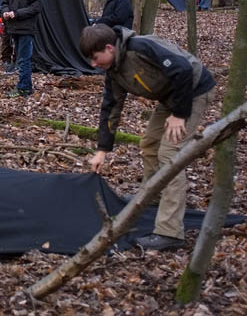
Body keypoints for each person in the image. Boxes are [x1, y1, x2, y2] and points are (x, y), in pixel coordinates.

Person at [80, 23, 216, 251]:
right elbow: (111, 108)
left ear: (109, 48)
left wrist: (180, 115)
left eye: (95, 58)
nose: (94, 65)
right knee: (150, 144)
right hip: (170, 96)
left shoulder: (141, 48)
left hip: (194, 91)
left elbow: (182, 69)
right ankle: (155, 194)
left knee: (170, 154)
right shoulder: (113, 70)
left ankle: (170, 233)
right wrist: (102, 150)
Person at [0, 0, 42, 97]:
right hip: (14, 29)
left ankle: (24, 88)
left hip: (26, 29)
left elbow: (36, 7)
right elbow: (4, 2)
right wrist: (5, 12)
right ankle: (25, 86)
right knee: (20, 59)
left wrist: (17, 13)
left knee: (24, 60)